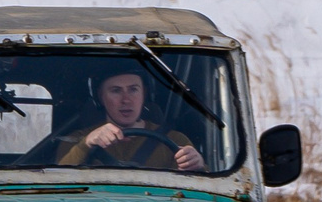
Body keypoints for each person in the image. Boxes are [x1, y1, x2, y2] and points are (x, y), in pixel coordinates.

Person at [48, 68, 205, 172]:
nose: (126, 100)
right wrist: (86, 144)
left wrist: (197, 164)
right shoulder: (76, 140)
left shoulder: (175, 140)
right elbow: (58, 180)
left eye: (133, 90)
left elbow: (196, 190)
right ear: (100, 98)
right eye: (116, 91)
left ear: (144, 94)